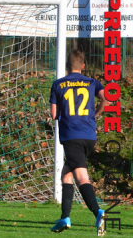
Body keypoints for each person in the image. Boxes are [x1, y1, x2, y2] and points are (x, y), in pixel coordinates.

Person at [49, 49, 109, 235]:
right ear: (83, 66)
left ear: (68, 66)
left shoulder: (58, 84)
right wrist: (96, 114)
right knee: (66, 174)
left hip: (72, 136)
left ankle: (98, 212)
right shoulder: (92, 82)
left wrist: (66, 113)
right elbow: (107, 99)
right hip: (89, 136)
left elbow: (54, 114)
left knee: (81, 177)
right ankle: (64, 218)